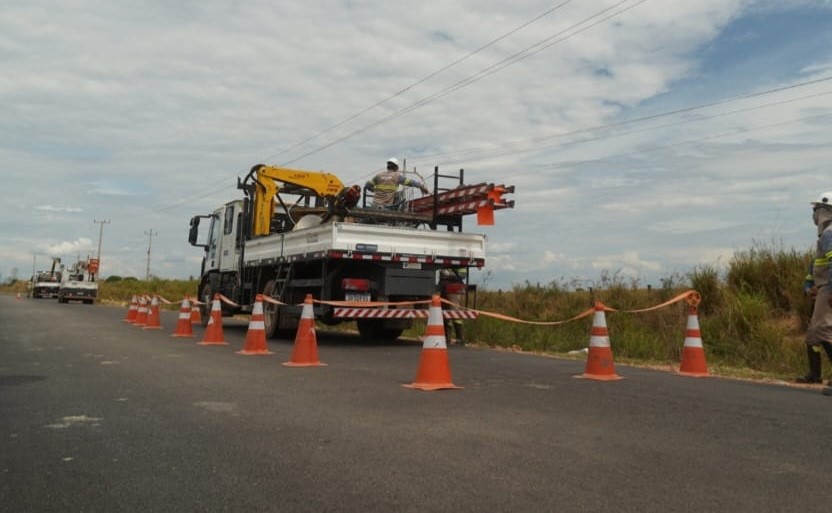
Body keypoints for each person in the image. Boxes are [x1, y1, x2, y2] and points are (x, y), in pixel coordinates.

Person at [797, 191, 832, 394]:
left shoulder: (829, 234)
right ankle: (815, 374)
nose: (814, 213)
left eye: (816, 208)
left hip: (828, 287)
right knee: (813, 335)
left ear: (825, 210)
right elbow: (816, 265)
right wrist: (809, 286)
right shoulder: (825, 235)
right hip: (822, 288)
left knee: (822, 330)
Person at [365, 158, 429, 210]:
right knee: (399, 200)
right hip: (386, 208)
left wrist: (374, 190)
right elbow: (411, 182)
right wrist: (421, 186)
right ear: (396, 167)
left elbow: (367, 185)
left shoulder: (378, 175)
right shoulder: (397, 176)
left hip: (374, 205)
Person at [439, 267, 468, 345]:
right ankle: (447, 338)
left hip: (454, 287)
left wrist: (450, 274)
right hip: (444, 286)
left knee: (455, 312)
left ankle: (460, 338)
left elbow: (462, 274)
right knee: (445, 313)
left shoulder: (459, 262)